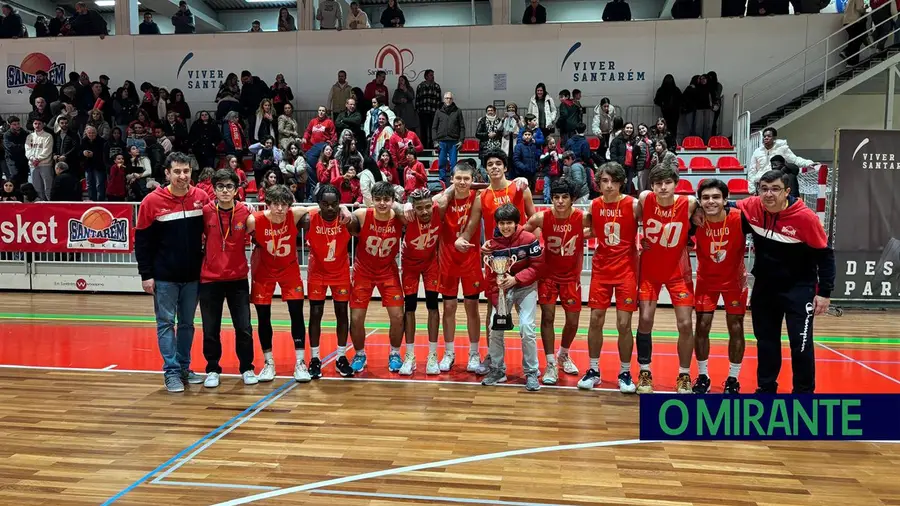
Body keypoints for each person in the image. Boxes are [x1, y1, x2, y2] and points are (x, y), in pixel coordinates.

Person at [736, 170, 834, 393]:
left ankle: (803, 393)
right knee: (766, 343)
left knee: (800, 346)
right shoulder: (752, 207)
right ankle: (766, 387)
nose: (769, 194)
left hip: (798, 289)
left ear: (787, 191)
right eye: (764, 189)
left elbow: (825, 255)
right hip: (764, 288)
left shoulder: (805, 217)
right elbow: (723, 204)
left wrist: (825, 292)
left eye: (775, 189)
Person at [135, 152, 211, 393]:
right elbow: (142, 242)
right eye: (177, 171)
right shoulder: (151, 201)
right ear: (167, 173)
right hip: (164, 277)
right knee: (166, 324)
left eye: (186, 171)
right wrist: (146, 274)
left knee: (187, 324)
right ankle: (171, 372)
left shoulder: (201, 197)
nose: (182, 176)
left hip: (193, 276)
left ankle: (184, 368)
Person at [455, 150, 535, 375]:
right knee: (494, 313)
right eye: (490, 164)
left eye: (498, 163)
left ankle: (532, 364)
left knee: (525, 318)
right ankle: (492, 357)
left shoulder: (519, 188)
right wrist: (462, 239)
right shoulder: (482, 198)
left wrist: (531, 247)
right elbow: (471, 225)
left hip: (520, 259)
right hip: (496, 261)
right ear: (486, 169)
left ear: (505, 167)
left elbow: (534, 219)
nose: (494, 167)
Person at [247, 185, 329, 383]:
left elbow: (320, 208)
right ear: (268, 205)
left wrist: (343, 209)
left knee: (296, 314)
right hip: (263, 271)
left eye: (284, 205)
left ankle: (300, 362)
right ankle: (268, 363)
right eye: (275, 204)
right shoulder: (254, 220)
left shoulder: (294, 214)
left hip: (289, 271)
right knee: (263, 317)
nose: (280, 209)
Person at [636, 164, 698, 394]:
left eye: (668, 182)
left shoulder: (688, 203)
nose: (663, 187)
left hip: (677, 272)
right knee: (645, 319)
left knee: (685, 324)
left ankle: (684, 374)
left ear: (676, 184)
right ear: (651, 185)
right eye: (658, 183)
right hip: (650, 271)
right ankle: (645, 371)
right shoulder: (645, 199)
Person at [581, 162, 640, 393]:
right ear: (598, 183)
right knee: (595, 320)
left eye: (613, 181)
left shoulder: (634, 204)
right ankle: (593, 370)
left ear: (621, 182)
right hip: (601, 269)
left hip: (626, 270)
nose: (609, 185)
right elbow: (593, 229)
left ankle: (625, 372)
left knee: (624, 324)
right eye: (604, 181)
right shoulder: (594, 205)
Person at [199, 169, 258, 388]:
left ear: (236, 190)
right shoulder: (205, 212)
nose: (225, 190)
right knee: (210, 328)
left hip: (238, 279)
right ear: (214, 190)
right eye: (221, 187)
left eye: (229, 187)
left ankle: (247, 367)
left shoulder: (245, 212)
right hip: (210, 279)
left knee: (243, 327)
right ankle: (212, 368)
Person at [523, 179, 584, 385]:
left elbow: (602, 229)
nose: (559, 201)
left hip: (571, 277)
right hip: (548, 276)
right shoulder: (541, 217)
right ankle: (550, 363)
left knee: (573, 322)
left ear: (572, 199)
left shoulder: (582, 218)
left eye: (564, 197)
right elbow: (521, 233)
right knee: (547, 317)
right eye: (556, 197)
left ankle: (563, 354)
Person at [481, 204, 545, 390]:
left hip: (525, 288)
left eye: (509, 223)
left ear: (517, 223)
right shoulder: (492, 245)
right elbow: (492, 274)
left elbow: (537, 267)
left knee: (527, 327)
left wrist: (516, 279)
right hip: (503, 291)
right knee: (495, 326)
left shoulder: (529, 239)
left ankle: (531, 372)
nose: (505, 227)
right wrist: (497, 297)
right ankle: (497, 369)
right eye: (502, 223)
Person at [346, 181, 408, 373]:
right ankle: (359, 354)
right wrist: (345, 210)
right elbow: (345, 215)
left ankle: (395, 353)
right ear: (372, 200)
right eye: (378, 199)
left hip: (387, 271)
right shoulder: (363, 215)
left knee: (398, 316)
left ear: (392, 200)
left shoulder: (399, 217)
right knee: (356, 318)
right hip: (363, 271)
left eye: (386, 199)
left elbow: (413, 213)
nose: (382, 203)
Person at [692, 179, 746, 394]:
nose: (711, 201)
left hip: (734, 282)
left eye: (716, 197)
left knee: (736, 327)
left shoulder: (740, 219)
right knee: (702, 327)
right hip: (706, 282)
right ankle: (703, 375)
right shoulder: (695, 220)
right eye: (705, 198)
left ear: (725, 199)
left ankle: (733, 378)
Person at [301, 184, 355, 378]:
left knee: (342, 313)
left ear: (340, 203)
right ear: (319, 204)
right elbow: (292, 210)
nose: (330, 208)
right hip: (317, 273)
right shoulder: (309, 219)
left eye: (335, 204)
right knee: (315, 314)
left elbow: (366, 209)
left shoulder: (347, 220)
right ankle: (315, 358)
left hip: (340, 272)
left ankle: (341, 357)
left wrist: (346, 210)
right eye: (325, 204)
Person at [400, 188, 447, 375]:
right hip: (410, 266)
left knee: (433, 307)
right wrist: (404, 205)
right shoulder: (407, 216)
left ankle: (433, 355)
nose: (425, 211)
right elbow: (393, 206)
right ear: (414, 208)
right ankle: (410, 356)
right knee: (409, 308)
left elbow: (453, 189)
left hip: (430, 264)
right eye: (420, 208)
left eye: (428, 206)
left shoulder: (438, 209)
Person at [748, 127, 815, 190]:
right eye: (764, 136)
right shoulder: (757, 152)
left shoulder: (782, 149)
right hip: (761, 184)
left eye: (769, 136)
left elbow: (795, 160)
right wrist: (752, 189)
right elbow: (752, 171)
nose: (766, 138)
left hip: (777, 183)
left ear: (774, 138)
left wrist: (809, 163)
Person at [432, 92, 465, 185]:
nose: (448, 100)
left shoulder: (458, 111)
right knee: (441, 163)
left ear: (452, 99)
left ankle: (453, 182)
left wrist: (461, 140)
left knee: (453, 164)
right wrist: (435, 141)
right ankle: (441, 182)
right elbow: (434, 127)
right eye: (446, 98)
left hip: (453, 142)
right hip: (441, 141)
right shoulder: (438, 111)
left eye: (450, 98)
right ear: (443, 99)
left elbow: (462, 127)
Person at [25, 119, 54, 201]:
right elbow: (27, 149)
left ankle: (50, 204)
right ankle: (40, 204)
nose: (37, 125)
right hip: (33, 165)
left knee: (48, 187)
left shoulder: (48, 136)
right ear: (33, 125)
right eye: (35, 123)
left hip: (45, 164)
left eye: (39, 123)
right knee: (37, 187)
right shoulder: (29, 136)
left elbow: (47, 150)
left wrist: (37, 159)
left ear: (43, 124)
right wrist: (32, 158)